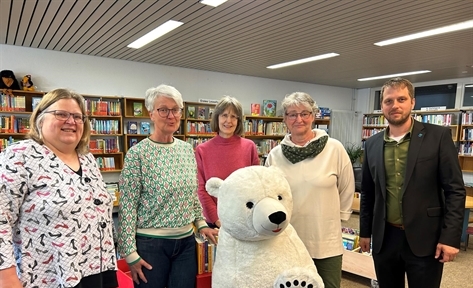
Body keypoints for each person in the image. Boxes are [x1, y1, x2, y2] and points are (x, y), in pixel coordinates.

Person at [0, 89, 118, 288]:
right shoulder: (20, 156)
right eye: (61, 114)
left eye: (78, 117)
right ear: (40, 119)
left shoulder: (87, 158)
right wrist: (6, 278)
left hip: (98, 268)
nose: (71, 121)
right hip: (51, 276)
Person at [359, 77, 466, 288]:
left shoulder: (438, 137)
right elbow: (368, 193)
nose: (395, 105)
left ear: (412, 102)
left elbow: (455, 190)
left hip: (426, 238)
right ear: (382, 106)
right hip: (385, 238)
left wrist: (450, 237)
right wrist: (365, 232)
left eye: (401, 99)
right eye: (388, 101)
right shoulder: (371, 144)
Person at [118, 84, 218, 288]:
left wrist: (201, 224)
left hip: (186, 243)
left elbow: (192, 195)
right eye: (163, 109)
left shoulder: (187, 150)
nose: (170, 115)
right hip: (150, 244)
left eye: (175, 110)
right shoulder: (138, 154)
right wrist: (129, 252)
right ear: (151, 114)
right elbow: (127, 206)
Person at [265, 92, 354, 288]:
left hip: (326, 241)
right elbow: (269, 197)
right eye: (292, 114)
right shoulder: (275, 155)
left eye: (305, 113)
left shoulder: (334, 149)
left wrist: (336, 218)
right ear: (285, 119)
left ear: (313, 116)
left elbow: (347, 188)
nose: (299, 119)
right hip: (288, 240)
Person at [195, 96, 260, 228]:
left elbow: (256, 184)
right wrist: (218, 220)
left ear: (239, 121)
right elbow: (201, 190)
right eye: (224, 115)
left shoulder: (249, 147)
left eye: (234, 117)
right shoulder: (202, 150)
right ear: (217, 117)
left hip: (245, 220)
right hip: (214, 222)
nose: (228, 121)